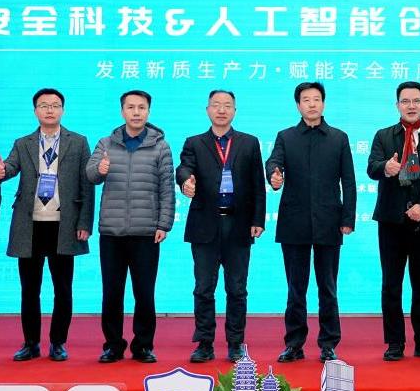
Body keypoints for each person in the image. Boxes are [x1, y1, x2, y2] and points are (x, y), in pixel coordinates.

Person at [0, 88, 94, 362]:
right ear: (35, 110)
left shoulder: (78, 142)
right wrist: (1, 172)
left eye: (55, 105)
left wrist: (84, 222)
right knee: (30, 290)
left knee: (63, 289)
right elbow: (11, 167)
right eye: (43, 105)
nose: (49, 110)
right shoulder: (23, 142)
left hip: (64, 225)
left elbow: (87, 185)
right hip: (30, 225)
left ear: (63, 110)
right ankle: (30, 343)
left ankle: (58, 343)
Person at [265, 81, 356, 363]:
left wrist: (348, 218)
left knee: (328, 287)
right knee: (296, 288)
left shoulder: (339, 138)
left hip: (329, 221)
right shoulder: (286, 136)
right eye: (306, 100)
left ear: (323, 103)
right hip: (294, 222)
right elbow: (273, 163)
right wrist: (274, 175)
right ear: (298, 105)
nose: (312, 104)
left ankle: (328, 344)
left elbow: (349, 181)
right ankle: (294, 343)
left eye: (316, 99)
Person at [176, 89, 266, 363]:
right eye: (216, 105)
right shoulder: (195, 142)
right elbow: (183, 168)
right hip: (205, 224)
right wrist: (186, 181)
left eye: (227, 105)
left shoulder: (249, 143)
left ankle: (235, 343)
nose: (222, 110)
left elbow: (258, 184)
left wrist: (257, 220)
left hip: (239, 225)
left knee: (237, 289)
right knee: (204, 288)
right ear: (208, 110)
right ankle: (204, 343)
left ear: (234, 111)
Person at [366, 81, 420, 362]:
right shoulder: (383, 136)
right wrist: (386, 167)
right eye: (405, 101)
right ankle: (395, 343)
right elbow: (371, 168)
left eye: (416, 101)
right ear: (397, 106)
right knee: (391, 284)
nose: (411, 106)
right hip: (391, 222)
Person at [86, 90, 175, 363]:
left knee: (144, 293)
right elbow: (90, 175)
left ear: (148, 111)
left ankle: (143, 346)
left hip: (146, 232)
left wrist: (164, 223)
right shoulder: (106, 143)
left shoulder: (160, 146)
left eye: (141, 107)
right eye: (131, 107)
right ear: (122, 111)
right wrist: (99, 170)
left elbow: (167, 189)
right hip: (111, 232)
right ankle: (113, 345)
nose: (136, 112)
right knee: (112, 293)